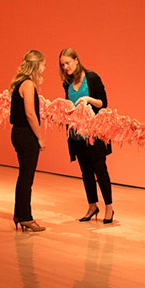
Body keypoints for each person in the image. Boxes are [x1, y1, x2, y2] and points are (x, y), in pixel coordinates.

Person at [59, 47, 114, 223]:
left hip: (94, 134)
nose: (65, 67)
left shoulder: (92, 78)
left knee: (100, 170)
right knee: (86, 172)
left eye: (68, 63)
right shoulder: (67, 83)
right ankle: (92, 205)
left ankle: (109, 207)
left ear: (76, 60)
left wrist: (88, 99)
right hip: (77, 135)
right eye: (62, 65)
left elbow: (103, 103)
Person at [9, 50, 48, 231]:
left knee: (23, 176)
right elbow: (30, 113)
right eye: (43, 65)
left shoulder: (19, 83)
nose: (44, 68)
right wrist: (40, 137)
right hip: (26, 134)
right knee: (27, 178)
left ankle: (20, 214)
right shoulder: (28, 84)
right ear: (36, 65)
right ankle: (25, 216)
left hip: (18, 133)